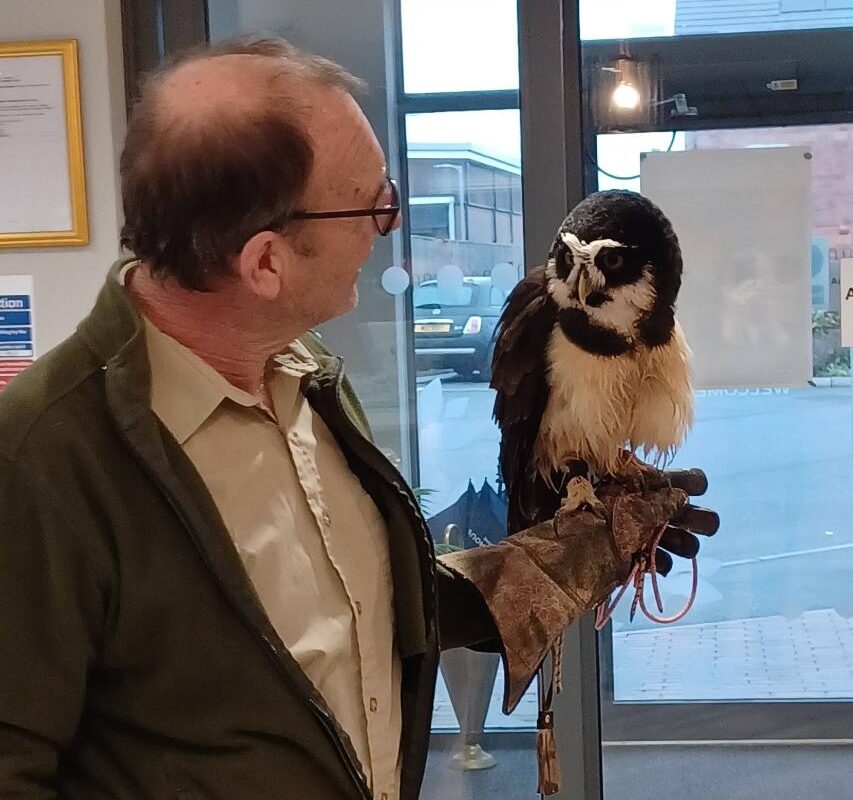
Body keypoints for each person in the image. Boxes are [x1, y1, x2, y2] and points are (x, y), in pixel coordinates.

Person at [0, 36, 717, 800]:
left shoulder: (305, 376)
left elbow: (352, 612)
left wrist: (544, 566)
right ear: (265, 262)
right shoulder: (43, 463)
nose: (390, 226)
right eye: (373, 205)